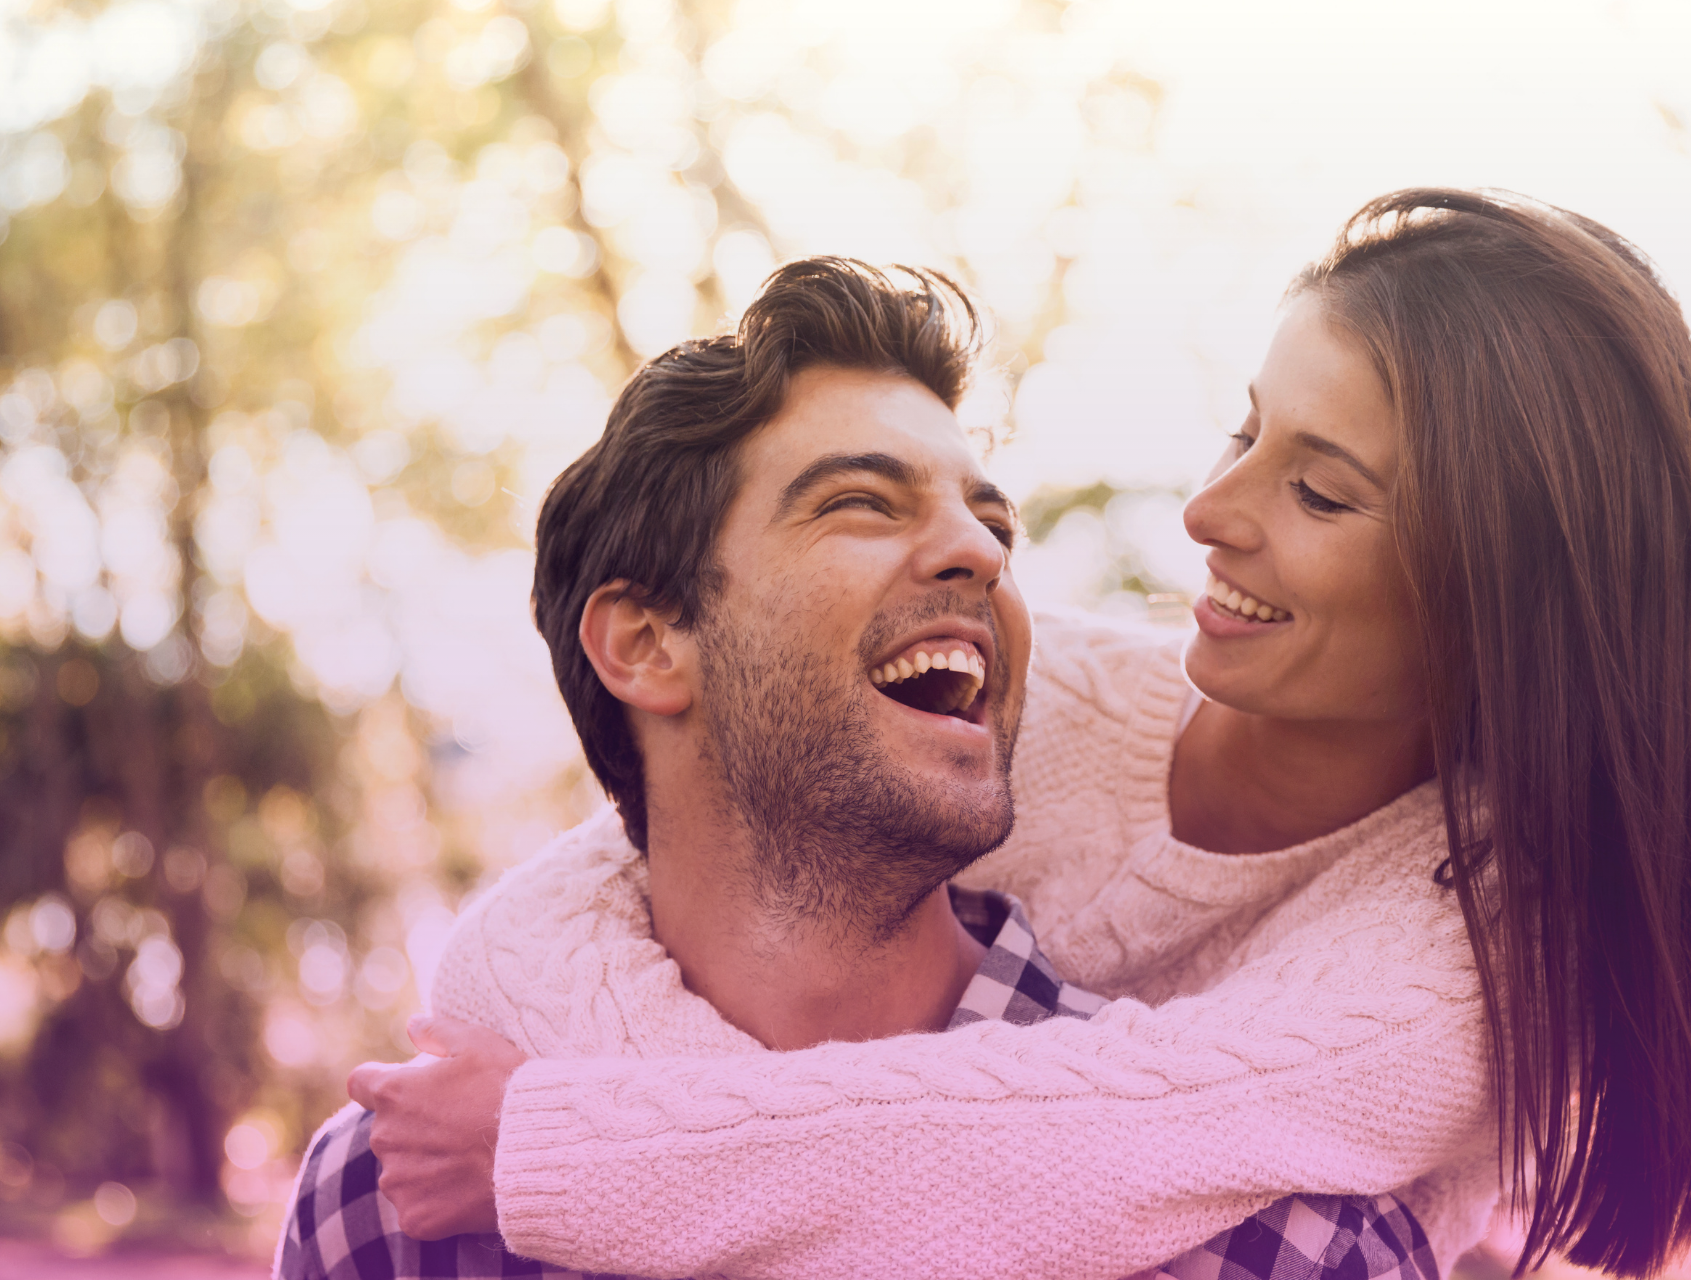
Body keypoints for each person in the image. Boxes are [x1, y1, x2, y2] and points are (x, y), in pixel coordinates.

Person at [346, 192, 1691, 1280]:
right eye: (1247, 434)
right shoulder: (1018, 702)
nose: (1210, 514)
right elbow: (608, 881)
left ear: (1501, 603)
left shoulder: (1467, 961)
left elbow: (1091, 1145)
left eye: (1324, 493)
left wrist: (561, 1153)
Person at [278, 259, 1437, 1280]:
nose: (982, 550)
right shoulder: (395, 1210)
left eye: (993, 521)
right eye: (862, 502)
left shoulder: (1284, 1241)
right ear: (645, 642)